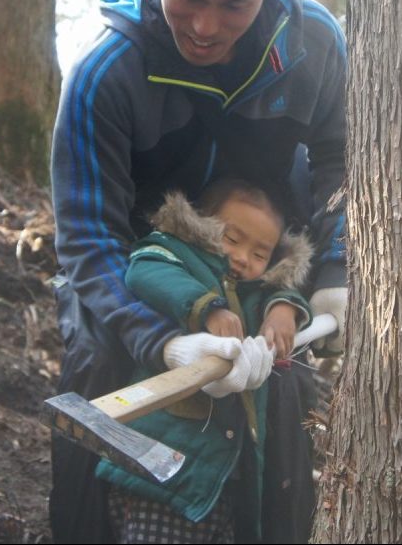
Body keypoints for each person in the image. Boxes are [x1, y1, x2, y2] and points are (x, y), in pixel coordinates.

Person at [49, 0, 347, 542]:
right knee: (97, 362)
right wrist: (165, 338)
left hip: (260, 275)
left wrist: (333, 269)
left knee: (284, 394)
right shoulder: (107, 73)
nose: (204, 27)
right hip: (135, 278)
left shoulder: (313, 48)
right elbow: (87, 244)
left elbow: (339, 162)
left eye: (234, 4)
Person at [98, 181, 314, 543]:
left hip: (223, 485)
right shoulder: (176, 252)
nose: (244, 257)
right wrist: (207, 307)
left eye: (260, 254)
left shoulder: (255, 291)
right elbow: (145, 269)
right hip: (163, 479)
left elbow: (279, 290)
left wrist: (284, 309)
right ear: (202, 224)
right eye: (232, 238)